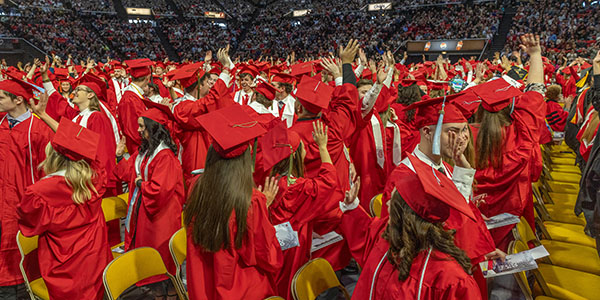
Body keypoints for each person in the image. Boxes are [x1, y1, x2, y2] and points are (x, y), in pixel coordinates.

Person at [341, 155, 482, 300]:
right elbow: (366, 235)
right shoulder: (389, 238)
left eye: (393, 202)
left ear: (407, 217)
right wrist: (352, 206)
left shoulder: (449, 278)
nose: (387, 204)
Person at [185, 105, 283, 299]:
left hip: (203, 283)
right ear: (245, 162)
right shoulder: (251, 201)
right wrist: (264, 210)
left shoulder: (196, 188)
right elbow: (268, 257)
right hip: (239, 288)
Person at [17, 118, 111, 300]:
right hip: (95, 259)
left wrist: (43, 115)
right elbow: (92, 153)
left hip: (64, 270)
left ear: (51, 156)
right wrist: (45, 116)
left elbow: (28, 226)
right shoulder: (94, 181)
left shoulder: (39, 192)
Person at [471, 34, 546, 251]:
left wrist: (476, 83)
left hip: (476, 216)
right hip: (513, 214)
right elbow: (535, 92)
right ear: (512, 108)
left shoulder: (463, 139)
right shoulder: (521, 134)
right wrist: (535, 54)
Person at [261, 121, 339, 298]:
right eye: (303, 148)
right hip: (293, 246)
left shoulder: (270, 181)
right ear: (295, 156)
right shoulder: (299, 188)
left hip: (276, 244)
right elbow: (329, 181)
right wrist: (323, 147)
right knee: (290, 285)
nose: (306, 151)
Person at [114, 105, 184, 299]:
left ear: (153, 129)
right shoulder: (144, 151)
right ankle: (157, 296)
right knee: (150, 264)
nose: (138, 130)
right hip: (144, 216)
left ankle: (170, 296)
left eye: (142, 126)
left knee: (162, 263)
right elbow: (127, 172)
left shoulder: (165, 157)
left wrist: (140, 183)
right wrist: (119, 155)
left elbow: (159, 190)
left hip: (161, 219)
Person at [0, 76, 53, 297]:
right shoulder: (1, 125)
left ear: (19, 99)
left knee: (17, 252)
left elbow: (48, 173)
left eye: (2, 97)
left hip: (23, 202)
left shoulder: (39, 130)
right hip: (2, 198)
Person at [117, 58, 153, 154]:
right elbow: (133, 130)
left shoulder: (135, 95)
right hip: (139, 149)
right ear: (147, 78)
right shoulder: (130, 99)